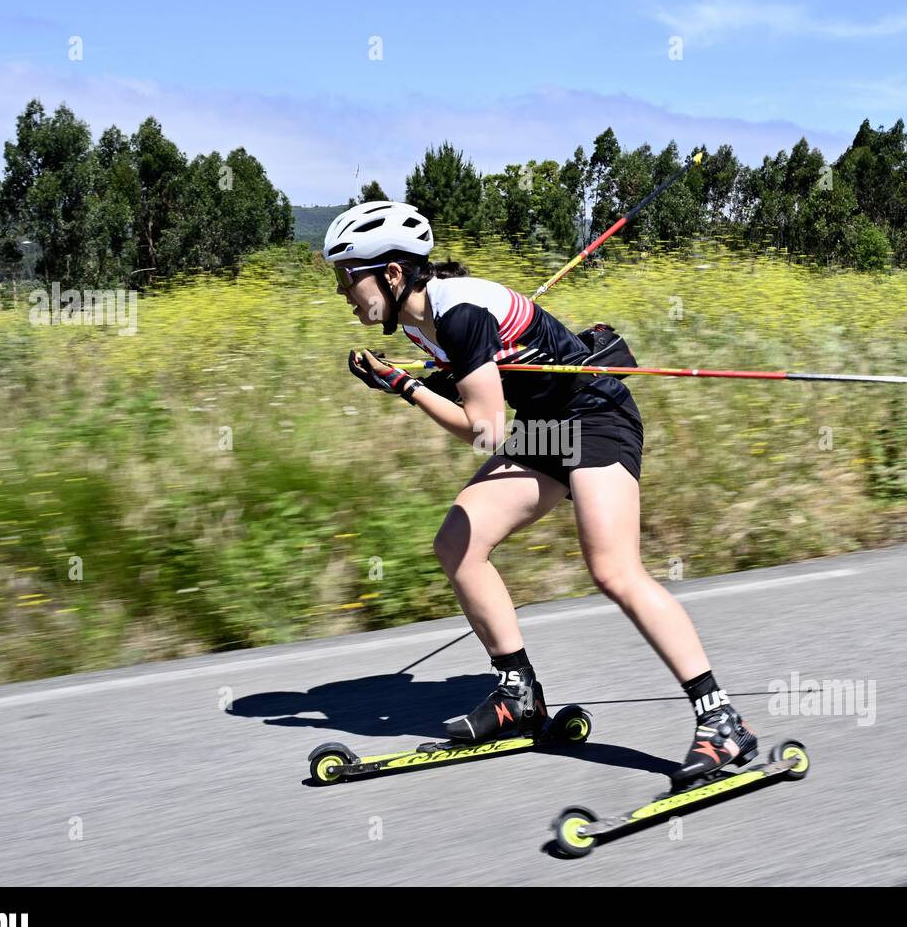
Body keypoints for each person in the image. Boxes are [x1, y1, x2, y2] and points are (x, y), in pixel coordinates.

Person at [324, 200, 758, 784]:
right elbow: (484, 381)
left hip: (595, 419)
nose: (343, 291)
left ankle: (721, 718)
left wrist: (406, 388)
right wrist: (441, 376)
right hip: (543, 428)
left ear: (393, 273)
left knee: (614, 571)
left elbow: (485, 431)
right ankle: (518, 694)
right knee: (457, 543)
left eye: (348, 277)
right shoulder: (418, 321)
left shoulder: (459, 313)